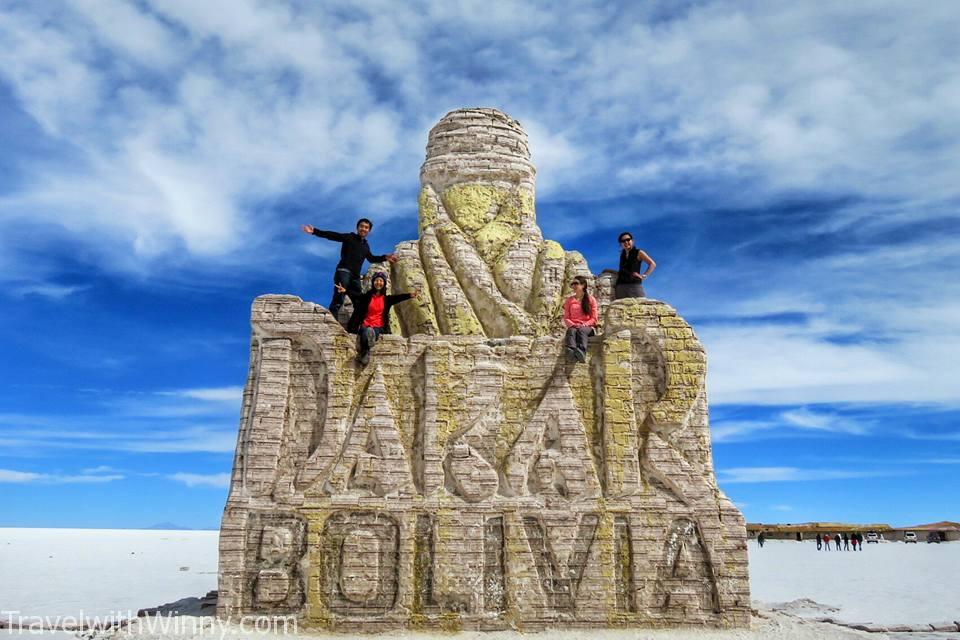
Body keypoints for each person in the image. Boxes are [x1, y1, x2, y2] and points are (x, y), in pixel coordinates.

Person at [302, 218, 398, 320]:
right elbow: (333, 236)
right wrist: (315, 231)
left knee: (359, 302)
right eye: (361, 226)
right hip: (344, 271)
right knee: (339, 297)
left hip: (355, 277)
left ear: (369, 231)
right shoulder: (350, 237)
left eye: (366, 227)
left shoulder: (366, 246)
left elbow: (371, 258)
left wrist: (385, 257)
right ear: (357, 228)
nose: (363, 229)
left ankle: (356, 327)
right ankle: (331, 323)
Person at [340, 272, 418, 365]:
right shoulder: (367, 297)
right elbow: (356, 295)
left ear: (384, 283)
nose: (379, 282)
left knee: (372, 331)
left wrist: (410, 295)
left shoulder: (386, 299)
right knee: (366, 330)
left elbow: (398, 298)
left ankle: (367, 348)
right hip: (366, 324)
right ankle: (366, 352)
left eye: (381, 281)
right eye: (377, 280)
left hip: (379, 326)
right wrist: (345, 290)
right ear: (373, 282)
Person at [563, 276, 599, 363]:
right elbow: (566, 317)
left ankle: (582, 352)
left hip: (587, 328)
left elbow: (594, 318)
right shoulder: (569, 300)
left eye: (576, 283)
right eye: (572, 284)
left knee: (581, 331)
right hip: (574, 326)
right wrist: (573, 324)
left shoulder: (591, 299)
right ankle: (571, 352)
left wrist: (584, 324)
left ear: (583, 285)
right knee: (571, 331)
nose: (574, 286)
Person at [614, 232, 656, 299]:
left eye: (628, 239)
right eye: (623, 241)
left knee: (641, 307)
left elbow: (652, 264)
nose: (626, 242)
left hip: (634, 285)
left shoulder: (639, 252)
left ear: (632, 241)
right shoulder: (622, 255)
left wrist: (644, 276)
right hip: (620, 287)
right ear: (621, 244)